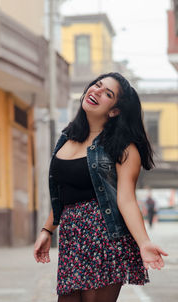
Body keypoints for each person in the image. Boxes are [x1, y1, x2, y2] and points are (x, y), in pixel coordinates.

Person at [34, 72, 168, 302]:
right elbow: (62, 193)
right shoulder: (66, 138)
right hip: (72, 238)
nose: (96, 91)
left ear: (114, 110)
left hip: (104, 237)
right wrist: (48, 230)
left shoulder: (124, 148)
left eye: (108, 93)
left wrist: (144, 242)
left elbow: (125, 200)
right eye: (96, 85)